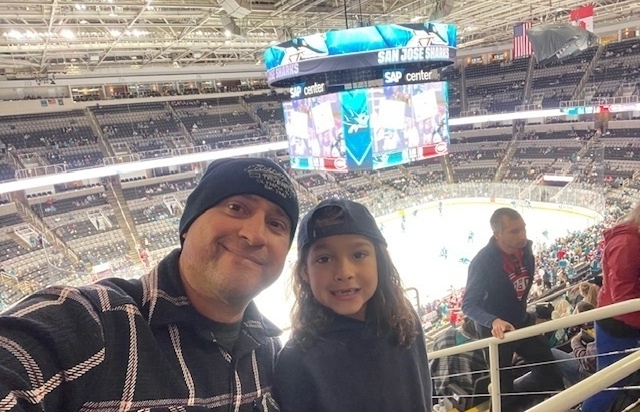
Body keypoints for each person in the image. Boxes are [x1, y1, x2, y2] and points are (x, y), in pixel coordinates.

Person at [0, 157, 299, 411]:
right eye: (236, 208)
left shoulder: (271, 353)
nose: (255, 235)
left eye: (276, 224)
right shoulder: (91, 323)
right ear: (188, 225)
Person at [273, 198, 431, 411]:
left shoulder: (403, 319)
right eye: (324, 259)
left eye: (358, 255)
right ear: (304, 272)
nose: (344, 273)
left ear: (379, 262)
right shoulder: (295, 360)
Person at [462, 208, 563, 409]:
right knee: (502, 391)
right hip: (497, 334)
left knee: (549, 371)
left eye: (523, 229)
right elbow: (468, 305)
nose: (522, 235)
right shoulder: (482, 262)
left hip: (522, 322)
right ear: (497, 234)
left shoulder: (526, 252)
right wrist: (493, 321)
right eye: (514, 231)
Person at [582, 201, 640, 412]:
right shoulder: (627, 244)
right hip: (617, 324)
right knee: (609, 384)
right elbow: (623, 299)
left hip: (626, 322)